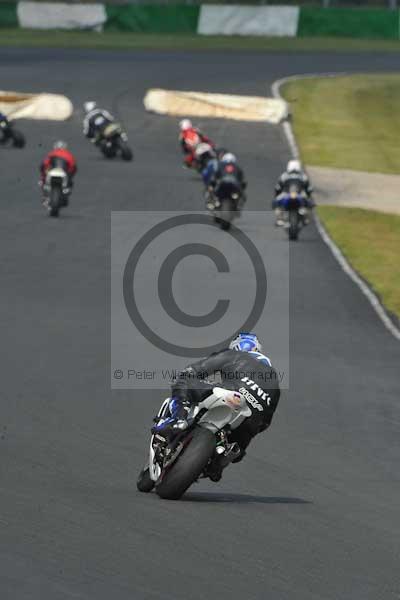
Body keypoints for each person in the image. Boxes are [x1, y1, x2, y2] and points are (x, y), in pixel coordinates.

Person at [152, 333, 280, 481]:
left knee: (183, 380)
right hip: (254, 415)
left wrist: (189, 375)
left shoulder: (234, 355)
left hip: (231, 392)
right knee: (239, 448)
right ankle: (219, 463)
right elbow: (266, 421)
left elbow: (199, 369)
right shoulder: (273, 376)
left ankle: (179, 418)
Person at [274, 159, 314, 226]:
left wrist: (277, 195)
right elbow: (309, 189)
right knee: (310, 203)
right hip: (299, 194)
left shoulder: (284, 175)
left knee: (276, 203)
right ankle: (306, 218)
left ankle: (279, 219)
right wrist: (308, 196)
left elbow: (278, 188)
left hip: (287, 194)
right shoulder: (303, 176)